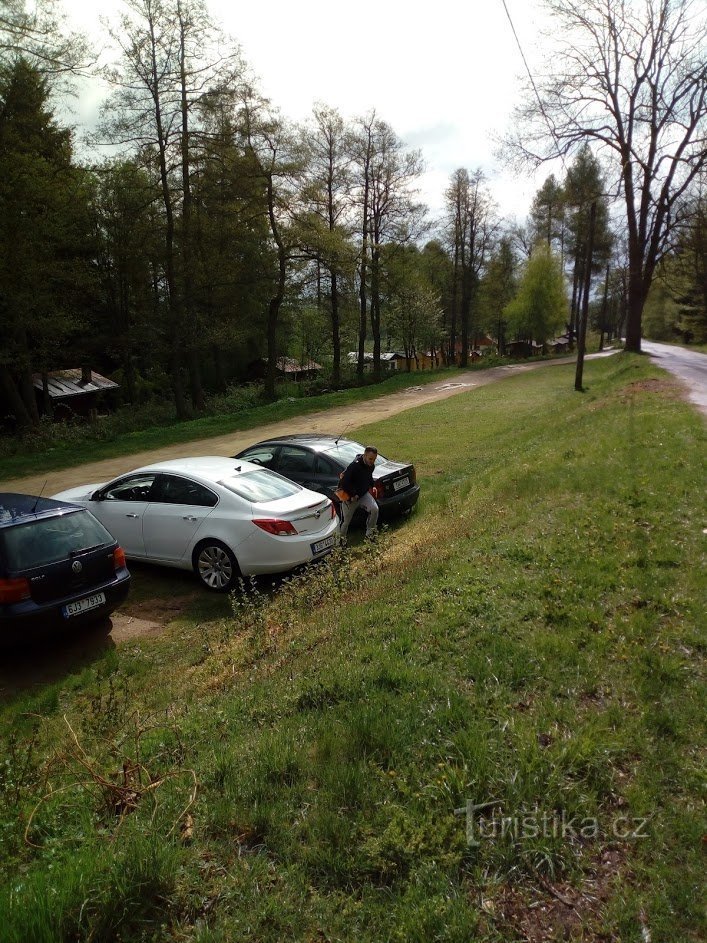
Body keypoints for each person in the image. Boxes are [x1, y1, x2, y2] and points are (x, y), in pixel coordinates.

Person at [337, 445, 380, 539]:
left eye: (374, 459)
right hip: (350, 497)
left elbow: (368, 477)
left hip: (363, 494)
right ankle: (340, 542)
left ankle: (370, 535)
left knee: (374, 509)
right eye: (370, 459)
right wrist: (353, 494)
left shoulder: (371, 466)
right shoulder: (354, 466)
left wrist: (373, 486)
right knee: (346, 521)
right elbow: (344, 483)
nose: (372, 461)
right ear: (364, 455)